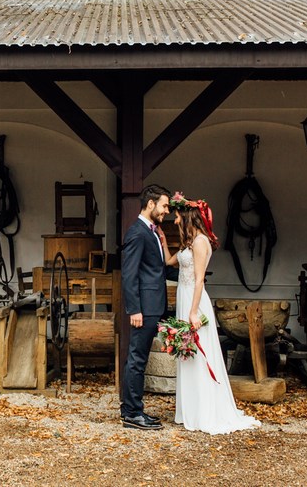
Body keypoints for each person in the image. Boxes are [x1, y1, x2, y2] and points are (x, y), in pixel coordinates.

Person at [159, 193, 261, 435]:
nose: (174, 222)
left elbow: (199, 281)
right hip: (184, 300)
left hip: (195, 302)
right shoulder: (187, 243)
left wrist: (193, 312)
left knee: (200, 355)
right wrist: (163, 240)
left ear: (187, 218)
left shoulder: (201, 242)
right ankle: (190, 410)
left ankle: (205, 410)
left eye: (176, 218)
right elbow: (169, 261)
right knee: (188, 355)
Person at [120, 184, 171, 430]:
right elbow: (129, 274)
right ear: (150, 204)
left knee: (139, 358)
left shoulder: (151, 231)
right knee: (137, 359)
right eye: (164, 206)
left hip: (153, 305)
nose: (166, 211)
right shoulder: (137, 233)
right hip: (144, 308)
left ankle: (133, 409)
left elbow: (156, 269)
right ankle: (132, 413)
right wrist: (134, 309)